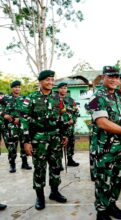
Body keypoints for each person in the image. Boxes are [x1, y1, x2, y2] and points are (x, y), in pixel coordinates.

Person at [87, 66, 121, 220]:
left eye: (116, 77)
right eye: (110, 77)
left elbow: (119, 119)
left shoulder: (116, 97)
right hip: (103, 150)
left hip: (118, 148)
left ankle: (111, 204)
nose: (114, 80)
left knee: (116, 179)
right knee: (103, 180)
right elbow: (102, 122)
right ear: (103, 77)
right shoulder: (96, 97)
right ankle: (101, 211)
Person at [20, 70, 69, 210]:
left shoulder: (57, 98)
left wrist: (65, 134)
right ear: (40, 81)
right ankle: (40, 196)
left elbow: (62, 116)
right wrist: (26, 141)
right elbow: (24, 120)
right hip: (38, 139)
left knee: (55, 166)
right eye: (47, 79)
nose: (51, 82)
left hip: (55, 138)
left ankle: (54, 192)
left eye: (52, 79)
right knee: (40, 168)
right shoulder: (31, 98)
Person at [0, 80, 32, 173]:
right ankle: (12, 164)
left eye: (19, 87)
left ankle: (24, 163)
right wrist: (3, 114)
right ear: (12, 88)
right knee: (11, 146)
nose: (17, 89)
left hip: (22, 125)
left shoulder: (24, 98)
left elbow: (28, 110)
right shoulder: (5, 98)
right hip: (10, 127)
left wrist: (21, 118)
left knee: (23, 144)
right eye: (15, 87)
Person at [56, 82, 80, 167]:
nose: (64, 90)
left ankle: (70, 160)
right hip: (59, 127)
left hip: (70, 127)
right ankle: (58, 163)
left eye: (65, 88)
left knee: (70, 143)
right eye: (62, 88)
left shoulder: (70, 100)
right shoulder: (54, 99)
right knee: (58, 145)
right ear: (58, 89)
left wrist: (73, 120)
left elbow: (76, 111)